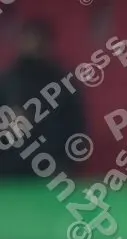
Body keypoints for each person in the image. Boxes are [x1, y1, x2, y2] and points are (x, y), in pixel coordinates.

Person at [0, 19, 88, 175]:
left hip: (53, 164)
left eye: (37, 40)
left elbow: (76, 128)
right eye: (27, 39)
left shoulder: (64, 84)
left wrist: (36, 124)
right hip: (10, 167)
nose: (31, 45)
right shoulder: (7, 81)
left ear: (47, 44)